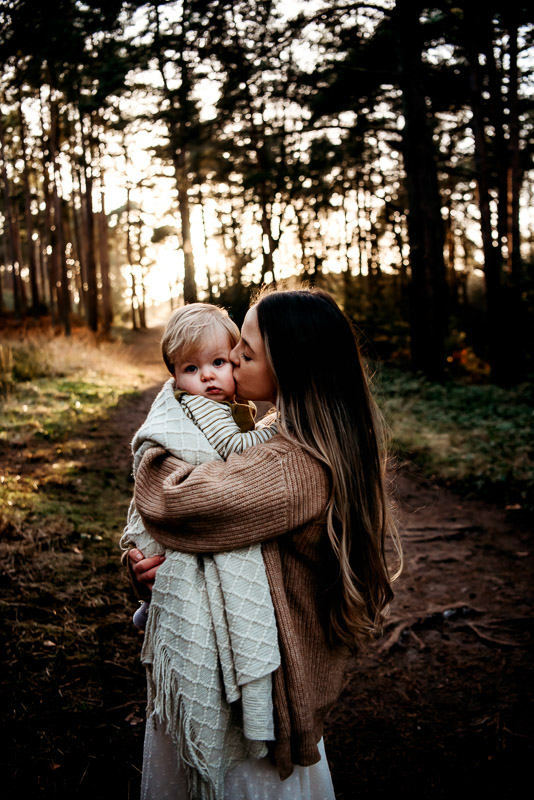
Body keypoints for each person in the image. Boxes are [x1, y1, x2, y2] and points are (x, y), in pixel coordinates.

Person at [130, 288, 402, 800]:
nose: (231, 359)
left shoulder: (291, 466)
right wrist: (151, 568)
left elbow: (175, 504)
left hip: (254, 708)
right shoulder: (294, 435)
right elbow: (201, 540)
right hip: (248, 675)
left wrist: (156, 436)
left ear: (289, 369)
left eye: (245, 353)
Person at [121, 303, 281, 800]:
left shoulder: (226, 405)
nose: (208, 377)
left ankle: (152, 609)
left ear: (236, 360)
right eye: (191, 369)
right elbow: (236, 450)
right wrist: (280, 426)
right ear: (174, 376)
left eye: (219, 363)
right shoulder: (206, 411)